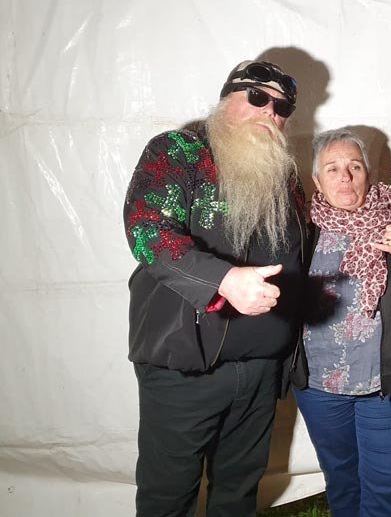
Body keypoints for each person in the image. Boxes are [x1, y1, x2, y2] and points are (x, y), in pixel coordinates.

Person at [122, 60, 307, 516]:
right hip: (186, 370)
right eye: (258, 97)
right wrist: (223, 279)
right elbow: (147, 230)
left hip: (261, 371)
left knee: (239, 496)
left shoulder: (285, 176)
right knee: (169, 498)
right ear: (227, 99)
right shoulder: (178, 151)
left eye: (282, 107)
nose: (270, 112)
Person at [294, 129, 391, 516]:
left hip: (384, 386)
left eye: (354, 167)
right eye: (332, 168)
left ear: (369, 173)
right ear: (317, 181)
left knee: (383, 490)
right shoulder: (302, 229)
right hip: (319, 386)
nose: (344, 176)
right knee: (341, 481)